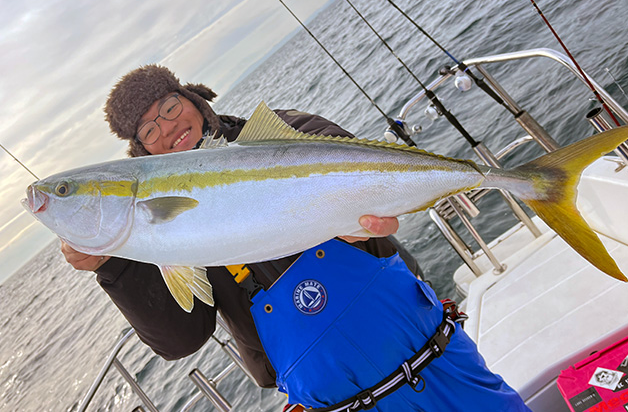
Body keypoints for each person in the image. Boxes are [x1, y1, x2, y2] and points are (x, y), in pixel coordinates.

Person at [62, 64, 529, 411]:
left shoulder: (282, 134)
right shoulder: (153, 235)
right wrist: (112, 265)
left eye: (169, 107)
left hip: (433, 352)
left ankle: (523, 181)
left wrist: (370, 213)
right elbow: (181, 339)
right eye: (149, 129)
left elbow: (351, 162)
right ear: (140, 151)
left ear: (192, 98)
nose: (167, 127)